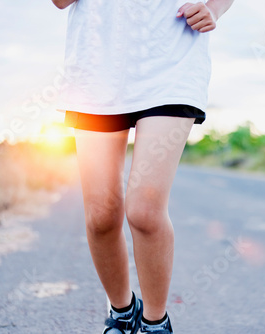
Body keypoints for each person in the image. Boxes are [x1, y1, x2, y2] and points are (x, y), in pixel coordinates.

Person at [51, 0, 234, 333]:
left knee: (145, 209)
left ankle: (155, 322)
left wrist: (214, 8)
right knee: (101, 215)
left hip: (172, 60)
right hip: (97, 68)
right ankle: (122, 312)